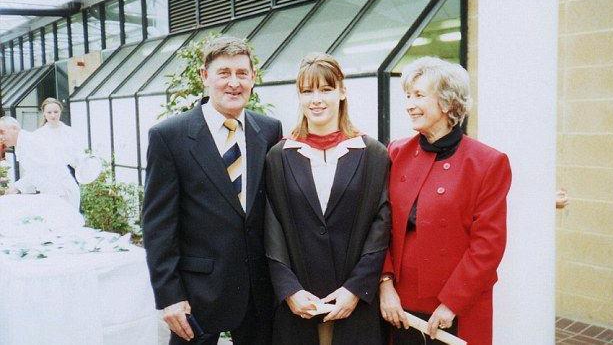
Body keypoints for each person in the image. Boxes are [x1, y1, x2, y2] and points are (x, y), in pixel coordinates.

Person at [142, 36, 282, 345]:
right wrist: (170, 296)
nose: (234, 83)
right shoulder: (170, 136)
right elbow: (158, 226)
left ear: (253, 78)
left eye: (242, 73)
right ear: (205, 77)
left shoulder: (270, 130)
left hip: (258, 295)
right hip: (197, 296)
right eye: (224, 73)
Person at [379, 57, 512, 345]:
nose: (409, 104)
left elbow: (488, 245)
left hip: (457, 309)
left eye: (419, 95)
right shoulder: (396, 152)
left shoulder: (488, 162)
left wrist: (452, 303)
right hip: (399, 307)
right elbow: (379, 223)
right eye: (408, 95)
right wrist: (385, 284)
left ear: (449, 103)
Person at [264, 52, 390, 345]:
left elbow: (381, 225)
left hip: (355, 305)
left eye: (326, 89)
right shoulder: (279, 156)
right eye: (307, 91)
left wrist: (356, 288)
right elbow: (272, 228)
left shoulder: (373, 153)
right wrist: (288, 289)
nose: (316, 99)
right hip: (299, 305)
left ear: (342, 91)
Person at [0, 115, 80, 208]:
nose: (1, 137)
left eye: (2, 132)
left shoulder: (30, 142)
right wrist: (16, 188)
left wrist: (16, 188)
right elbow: (35, 173)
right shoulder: (24, 143)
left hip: (62, 193)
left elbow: (45, 171)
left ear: (14, 128)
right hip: (55, 193)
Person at [33, 98, 84, 174]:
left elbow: (79, 153)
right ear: (44, 113)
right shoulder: (38, 135)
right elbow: (35, 160)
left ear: (60, 111)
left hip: (70, 174)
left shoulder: (70, 132)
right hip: (48, 175)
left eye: (56, 112)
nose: (53, 115)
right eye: (49, 112)